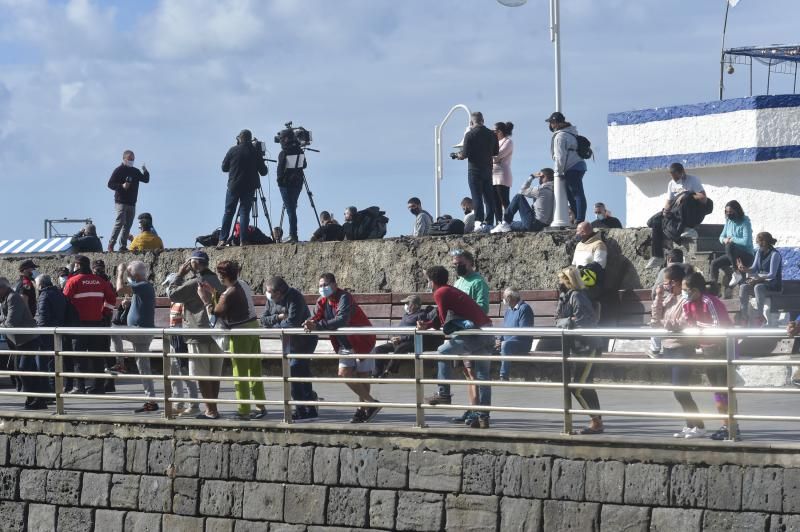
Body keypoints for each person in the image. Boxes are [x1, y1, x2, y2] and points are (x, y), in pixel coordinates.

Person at [419, 265, 494, 428]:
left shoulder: (440, 292)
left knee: (442, 352)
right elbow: (446, 317)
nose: (428, 284)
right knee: (483, 377)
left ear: (432, 281)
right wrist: (428, 325)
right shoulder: (450, 290)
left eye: (428, 281)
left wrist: (430, 324)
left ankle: (444, 393)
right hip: (486, 332)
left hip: (473, 334)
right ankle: (483, 418)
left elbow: (443, 318)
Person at [304, 273, 380, 423]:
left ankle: (362, 409)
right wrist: (309, 322)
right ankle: (371, 404)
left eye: (325, 285)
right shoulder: (322, 301)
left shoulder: (344, 297)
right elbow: (316, 317)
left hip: (362, 340)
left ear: (334, 285)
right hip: (344, 343)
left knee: (363, 375)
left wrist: (318, 326)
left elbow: (342, 319)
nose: (322, 288)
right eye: (320, 286)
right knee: (344, 373)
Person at [198, 260, 267, 421]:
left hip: (240, 333)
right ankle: (260, 406)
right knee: (255, 370)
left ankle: (243, 410)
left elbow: (216, 314)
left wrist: (205, 299)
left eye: (220, 274)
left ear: (223, 276)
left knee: (240, 372)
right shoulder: (242, 284)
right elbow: (226, 299)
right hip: (253, 329)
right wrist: (214, 291)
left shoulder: (228, 294)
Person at [671, 271, 734, 440]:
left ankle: (731, 427)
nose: (684, 293)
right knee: (717, 390)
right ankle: (726, 425)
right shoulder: (688, 303)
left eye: (686, 289)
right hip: (707, 350)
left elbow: (718, 326)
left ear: (696, 290)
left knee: (724, 390)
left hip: (721, 349)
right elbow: (689, 323)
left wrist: (699, 329)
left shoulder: (709, 302)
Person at [167, 250, 225, 420]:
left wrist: (179, 275)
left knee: (202, 375)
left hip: (198, 332)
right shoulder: (217, 280)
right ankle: (213, 407)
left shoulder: (195, 282)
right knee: (215, 374)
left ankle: (211, 410)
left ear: (194, 264)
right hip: (217, 331)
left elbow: (173, 295)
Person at [261, 276, 320, 420]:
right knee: (301, 372)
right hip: (289, 343)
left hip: (304, 341)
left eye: (270, 292)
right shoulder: (271, 300)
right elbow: (263, 320)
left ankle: (304, 409)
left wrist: (276, 323)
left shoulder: (295, 297)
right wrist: (279, 317)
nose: (268, 295)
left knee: (295, 372)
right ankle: (308, 407)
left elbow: (292, 323)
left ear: (279, 292)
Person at [555, 266, 603, 435]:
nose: (559, 283)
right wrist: (569, 320)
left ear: (568, 281)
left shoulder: (578, 296)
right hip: (576, 347)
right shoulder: (564, 298)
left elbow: (583, 324)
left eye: (561, 280)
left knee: (578, 387)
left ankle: (596, 421)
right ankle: (597, 420)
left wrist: (566, 321)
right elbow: (557, 321)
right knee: (585, 384)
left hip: (588, 347)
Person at [62, 255, 116, 395]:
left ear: (78, 265)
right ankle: (98, 387)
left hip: (78, 325)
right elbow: (111, 298)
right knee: (96, 356)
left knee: (78, 357)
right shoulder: (100, 281)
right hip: (96, 323)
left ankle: (79, 387)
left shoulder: (72, 281)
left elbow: (64, 302)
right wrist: (104, 312)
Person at [645, 163, 709, 269]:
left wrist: (687, 194)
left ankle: (687, 227)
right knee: (655, 221)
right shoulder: (671, 184)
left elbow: (703, 197)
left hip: (691, 211)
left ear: (682, 172)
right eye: (672, 177)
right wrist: (665, 210)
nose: (674, 179)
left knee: (686, 198)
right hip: (676, 210)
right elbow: (669, 201)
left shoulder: (693, 180)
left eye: (676, 176)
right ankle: (658, 256)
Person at [115, 261, 158, 413]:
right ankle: (151, 401)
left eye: (130, 275)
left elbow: (119, 289)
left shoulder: (143, 285)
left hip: (140, 331)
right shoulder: (142, 287)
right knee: (143, 368)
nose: (128, 278)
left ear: (137, 276)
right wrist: (129, 305)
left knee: (113, 331)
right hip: (139, 331)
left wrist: (120, 271)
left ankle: (120, 363)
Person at [0, 277, 47, 409]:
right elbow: (4, 318)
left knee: (25, 369)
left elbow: (11, 322)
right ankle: (33, 398)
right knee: (23, 370)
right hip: (20, 341)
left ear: (2, 288)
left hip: (28, 339)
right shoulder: (5, 298)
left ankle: (38, 399)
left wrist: (2, 324)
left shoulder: (12, 298)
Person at [217, 129, 269, 249]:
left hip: (233, 186)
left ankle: (222, 239)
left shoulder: (232, 150)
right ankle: (243, 240)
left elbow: (224, 168)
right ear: (250, 139)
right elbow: (264, 172)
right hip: (249, 187)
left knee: (228, 212)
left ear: (239, 139)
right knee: (245, 213)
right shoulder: (255, 152)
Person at [372, 294, 438, 377]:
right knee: (379, 349)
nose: (405, 306)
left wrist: (401, 338)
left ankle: (388, 371)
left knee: (400, 348)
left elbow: (419, 332)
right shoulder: (406, 315)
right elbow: (400, 329)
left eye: (408, 303)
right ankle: (376, 374)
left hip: (412, 343)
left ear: (415, 305)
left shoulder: (421, 315)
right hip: (399, 341)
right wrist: (394, 338)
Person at [454, 112, 499, 232]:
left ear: (471, 122)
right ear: (483, 120)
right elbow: (495, 152)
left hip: (474, 170)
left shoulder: (470, 135)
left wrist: (458, 155)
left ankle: (478, 222)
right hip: (488, 169)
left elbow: (464, 154)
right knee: (489, 197)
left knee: (477, 196)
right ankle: (489, 222)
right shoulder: (492, 134)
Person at [649, 249, 695, 357]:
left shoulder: (686, 300)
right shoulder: (669, 297)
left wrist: (661, 323)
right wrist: (659, 297)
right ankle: (655, 350)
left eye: (665, 283)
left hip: (681, 347)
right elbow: (656, 317)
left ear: (673, 282)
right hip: (667, 345)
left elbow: (683, 322)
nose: (664, 285)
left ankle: (655, 349)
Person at [546, 112, 588, 223]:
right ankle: (577, 217)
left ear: (555, 123)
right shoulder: (571, 132)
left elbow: (560, 156)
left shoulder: (560, 136)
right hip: (579, 164)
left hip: (572, 166)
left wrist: (558, 172)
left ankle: (580, 219)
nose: (550, 125)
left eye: (551, 123)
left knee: (576, 193)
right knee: (571, 193)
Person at [107, 150, 150, 252]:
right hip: (121, 202)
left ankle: (122, 246)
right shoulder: (119, 170)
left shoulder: (135, 171)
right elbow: (110, 184)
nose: (132, 161)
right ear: (124, 159)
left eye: (133, 159)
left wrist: (145, 170)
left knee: (128, 225)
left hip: (132, 202)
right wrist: (121, 186)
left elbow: (145, 179)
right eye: (130, 159)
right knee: (120, 222)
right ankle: (111, 244)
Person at [738, 231, 782, 327]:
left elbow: (772, 274)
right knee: (743, 287)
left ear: (768, 241)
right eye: (758, 241)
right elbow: (754, 269)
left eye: (762, 241)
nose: (760, 243)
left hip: (773, 283)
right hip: (760, 280)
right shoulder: (759, 252)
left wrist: (758, 279)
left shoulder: (775, 254)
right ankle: (744, 316)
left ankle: (759, 315)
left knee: (758, 287)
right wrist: (745, 269)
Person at [491, 168, 555, 233]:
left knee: (518, 197)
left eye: (540, 177)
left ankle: (505, 221)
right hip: (545, 225)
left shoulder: (541, 190)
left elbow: (522, 191)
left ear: (542, 176)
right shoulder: (556, 190)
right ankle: (503, 224)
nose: (539, 179)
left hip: (534, 223)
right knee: (510, 225)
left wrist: (532, 177)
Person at [166, 299, 200, 417]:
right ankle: (178, 404)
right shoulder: (174, 301)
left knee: (185, 373)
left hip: (181, 340)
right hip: (173, 338)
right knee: (174, 373)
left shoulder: (185, 301)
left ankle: (194, 406)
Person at [710, 200, 754, 288]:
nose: (728, 214)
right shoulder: (728, 222)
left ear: (736, 211)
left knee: (729, 245)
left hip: (746, 255)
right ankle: (713, 287)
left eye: (731, 212)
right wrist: (724, 240)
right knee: (714, 263)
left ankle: (736, 272)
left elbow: (746, 242)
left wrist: (732, 239)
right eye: (726, 212)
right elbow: (721, 237)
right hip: (733, 255)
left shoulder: (745, 222)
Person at [35, 274, 66, 392]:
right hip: (58, 329)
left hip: (46, 332)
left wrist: (39, 332)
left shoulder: (44, 295)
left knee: (43, 361)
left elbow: (42, 317)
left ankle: (47, 389)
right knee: (54, 362)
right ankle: (55, 388)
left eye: (37, 285)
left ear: (41, 284)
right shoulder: (58, 293)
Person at [276, 129, 307, 243]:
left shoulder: (283, 153)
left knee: (290, 209)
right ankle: (293, 234)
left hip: (286, 185)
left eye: (281, 139)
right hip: (298, 183)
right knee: (292, 208)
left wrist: (280, 182)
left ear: (285, 139)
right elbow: (304, 165)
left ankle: (293, 234)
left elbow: (280, 170)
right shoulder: (300, 151)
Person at [497, 288, 534, 381]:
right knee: (488, 345)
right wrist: (498, 339)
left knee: (505, 345)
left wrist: (505, 342)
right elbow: (504, 329)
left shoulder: (524, 308)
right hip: (507, 343)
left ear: (510, 297)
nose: (503, 299)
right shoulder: (509, 310)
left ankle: (503, 376)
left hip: (522, 343)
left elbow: (523, 332)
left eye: (504, 297)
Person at [451, 249, 489, 313]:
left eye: (460, 263)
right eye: (455, 264)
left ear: (470, 262)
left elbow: (484, 309)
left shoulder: (478, 282)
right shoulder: (457, 283)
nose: (457, 266)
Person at [492, 121, 514, 219]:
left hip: (502, 174)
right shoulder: (495, 142)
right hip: (493, 174)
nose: (493, 133)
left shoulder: (508, 142)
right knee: (495, 201)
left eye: (494, 131)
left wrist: (491, 158)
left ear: (500, 131)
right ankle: (499, 221)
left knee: (504, 199)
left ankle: (508, 221)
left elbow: (497, 156)